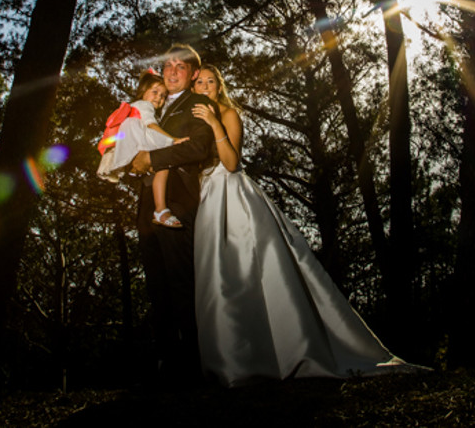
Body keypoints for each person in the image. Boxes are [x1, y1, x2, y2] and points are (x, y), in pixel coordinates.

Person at [189, 65, 405, 387]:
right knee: (218, 278)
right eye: (200, 81)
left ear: (218, 87)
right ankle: (231, 358)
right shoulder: (190, 116)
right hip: (206, 196)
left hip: (230, 194)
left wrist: (213, 122)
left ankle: (280, 355)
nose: (205, 85)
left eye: (211, 81)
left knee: (247, 271)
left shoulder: (227, 113)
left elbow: (232, 163)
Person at [128, 45, 219, 379]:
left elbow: (199, 147)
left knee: (181, 279)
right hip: (147, 202)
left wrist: (153, 159)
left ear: (194, 74)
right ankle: (165, 360)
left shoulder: (198, 103)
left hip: (178, 199)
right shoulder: (154, 105)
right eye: (167, 65)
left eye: (181, 66)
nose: (172, 70)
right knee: (156, 283)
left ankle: (192, 362)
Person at [97, 70, 185, 228]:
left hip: (132, 140)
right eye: (155, 92)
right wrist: (174, 140)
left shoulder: (136, 106)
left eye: (163, 96)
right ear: (143, 91)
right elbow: (151, 125)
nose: (159, 97)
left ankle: (160, 209)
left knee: (161, 167)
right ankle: (160, 209)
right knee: (163, 162)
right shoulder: (144, 106)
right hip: (137, 137)